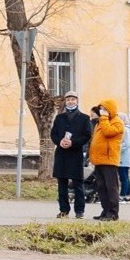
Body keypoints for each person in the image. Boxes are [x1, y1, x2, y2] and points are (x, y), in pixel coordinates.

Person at [50, 90, 91, 219]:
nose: (70, 101)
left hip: (75, 154)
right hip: (61, 154)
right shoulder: (59, 117)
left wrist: (72, 143)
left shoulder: (84, 118)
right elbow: (53, 134)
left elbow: (87, 136)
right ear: (65, 101)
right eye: (68, 99)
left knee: (78, 184)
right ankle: (64, 210)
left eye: (73, 99)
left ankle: (79, 211)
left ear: (77, 101)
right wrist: (60, 142)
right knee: (62, 185)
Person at [89, 99, 125, 221]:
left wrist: (103, 118)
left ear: (111, 110)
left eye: (104, 109)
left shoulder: (117, 122)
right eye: (101, 109)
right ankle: (105, 211)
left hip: (109, 160)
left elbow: (108, 132)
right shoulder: (101, 122)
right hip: (99, 160)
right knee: (101, 187)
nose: (102, 111)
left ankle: (113, 213)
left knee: (111, 187)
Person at [118, 113, 130, 204]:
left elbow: (126, 144)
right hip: (124, 157)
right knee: (126, 177)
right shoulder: (125, 129)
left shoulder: (125, 129)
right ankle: (128, 197)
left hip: (123, 158)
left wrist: (116, 148)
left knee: (123, 177)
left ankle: (122, 196)